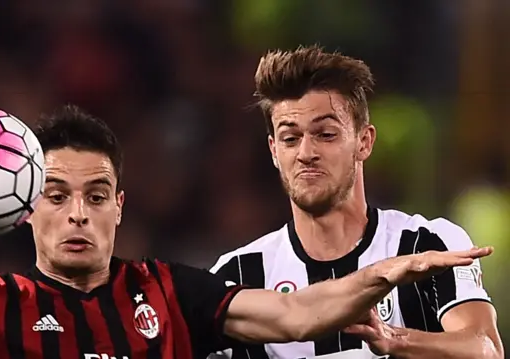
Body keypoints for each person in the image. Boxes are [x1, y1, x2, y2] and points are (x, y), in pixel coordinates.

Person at [0, 105, 492, 359]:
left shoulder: (170, 293)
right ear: (27, 207)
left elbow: (297, 316)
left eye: (95, 196)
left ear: (120, 207)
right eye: (56, 196)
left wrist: (384, 272)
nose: (78, 214)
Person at [209, 45, 504, 359]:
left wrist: (396, 341)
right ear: (273, 151)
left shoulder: (426, 244)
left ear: (364, 142)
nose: (306, 153)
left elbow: (485, 349)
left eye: (325, 134)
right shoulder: (237, 275)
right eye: (290, 138)